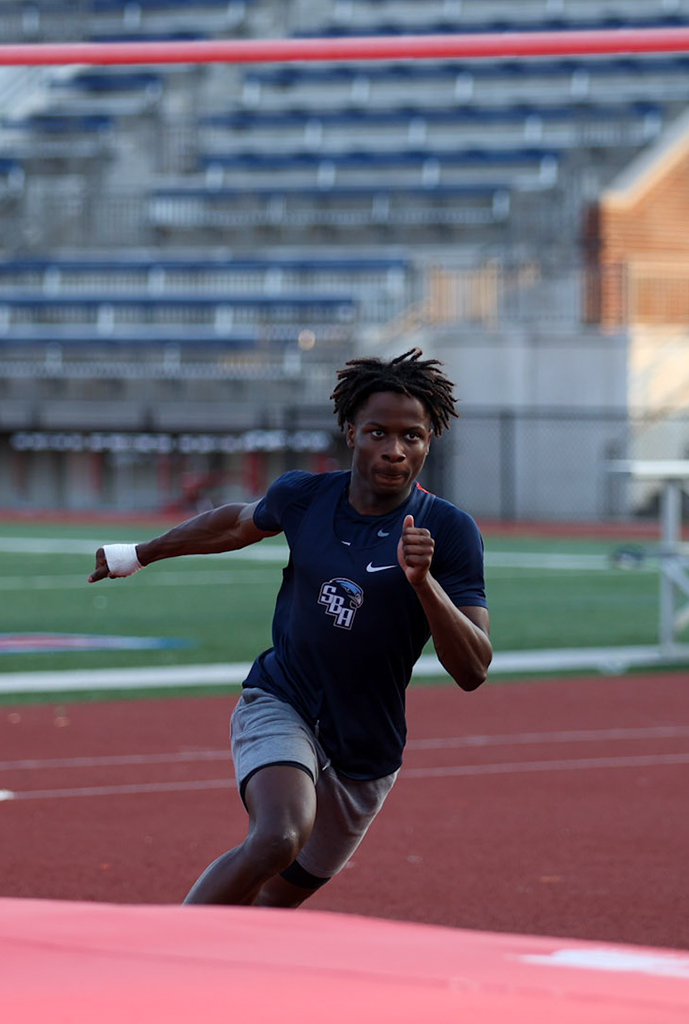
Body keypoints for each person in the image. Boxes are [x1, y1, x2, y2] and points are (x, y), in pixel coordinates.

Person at [88, 349, 490, 906]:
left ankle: (220, 986)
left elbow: (472, 668)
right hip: (283, 699)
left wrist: (424, 583)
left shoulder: (448, 529)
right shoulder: (306, 496)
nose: (395, 450)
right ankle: (165, 955)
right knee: (276, 837)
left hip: (366, 747)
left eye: (413, 437)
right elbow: (234, 524)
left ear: (429, 441)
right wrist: (140, 553)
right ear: (351, 432)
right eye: (378, 432)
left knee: (272, 906)